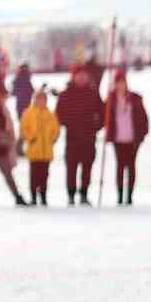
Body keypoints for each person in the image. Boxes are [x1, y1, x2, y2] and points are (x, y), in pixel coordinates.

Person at [55, 66, 104, 205]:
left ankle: (84, 193)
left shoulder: (93, 93)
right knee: (71, 167)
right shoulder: (66, 94)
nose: (82, 78)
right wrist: (70, 123)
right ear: (74, 77)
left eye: (84, 75)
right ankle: (71, 194)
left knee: (87, 167)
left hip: (89, 137)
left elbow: (103, 113)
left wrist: (96, 127)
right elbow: (59, 114)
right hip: (72, 138)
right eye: (79, 75)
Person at [103, 70, 149, 206]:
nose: (120, 85)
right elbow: (105, 116)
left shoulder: (135, 98)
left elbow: (143, 117)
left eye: (122, 82)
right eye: (118, 83)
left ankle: (129, 195)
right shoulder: (111, 99)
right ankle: (119, 194)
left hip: (132, 138)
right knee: (120, 166)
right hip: (118, 138)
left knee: (131, 166)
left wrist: (142, 133)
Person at [20, 86, 60, 206]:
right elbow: (23, 128)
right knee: (34, 176)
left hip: (46, 151)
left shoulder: (50, 114)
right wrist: (31, 138)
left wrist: (52, 139)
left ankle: (43, 196)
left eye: (44, 99)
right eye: (39, 99)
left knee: (44, 175)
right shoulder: (28, 113)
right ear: (35, 100)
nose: (41, 101)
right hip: (34, 151)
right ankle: (33, 196)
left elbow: (56, 129)